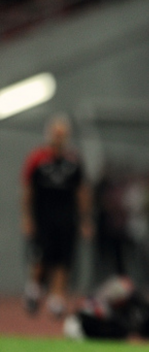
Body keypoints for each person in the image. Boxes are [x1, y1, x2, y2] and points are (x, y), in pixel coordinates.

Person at [21, 114, 93, 318]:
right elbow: (27, 190)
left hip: (66, 217)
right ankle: (34, 289)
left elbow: (82, 191)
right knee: (40, 256)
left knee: (63, 259)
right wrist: (27, 218)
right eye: (55, 134)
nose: (58, 138)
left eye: (62, 135)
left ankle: (56, 297)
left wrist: (85, 219)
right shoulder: (37, 159)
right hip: (43, 216)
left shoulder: (73, 161)